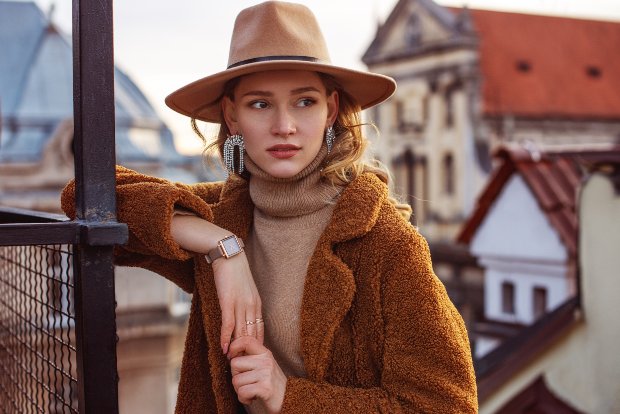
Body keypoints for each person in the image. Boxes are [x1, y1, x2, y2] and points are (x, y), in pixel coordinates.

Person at [62, 1, 477, 413]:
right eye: (260, 104)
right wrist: (223, 248)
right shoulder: (225, 214)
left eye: (304, 101)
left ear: (331, 110)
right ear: (232, 115)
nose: (285, 125)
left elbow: (447, 406)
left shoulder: (384, 243)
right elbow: (86, 196)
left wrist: (288, 395)